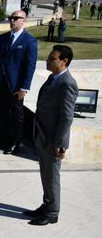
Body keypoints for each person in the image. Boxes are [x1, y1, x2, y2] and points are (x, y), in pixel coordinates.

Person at [24, 45, 78, 226]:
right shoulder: (53, 78)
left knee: (52, 175)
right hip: (42, 135)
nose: (47, 60)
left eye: (52, 58)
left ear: (64, 62)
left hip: (53, 140)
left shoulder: (67, 84)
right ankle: (47, 205)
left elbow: (67, 117)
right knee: (46, 174)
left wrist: (60, 144)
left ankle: (53, 213)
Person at [0, 10, 37, 155]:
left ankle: (15, 143)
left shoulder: (29, 41)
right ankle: (1, 141)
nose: (12, 20)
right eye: (11, 18)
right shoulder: (2, 38)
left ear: (24, 20)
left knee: (16, 116)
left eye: (16, 18)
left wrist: (24, 87)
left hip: (16, 86)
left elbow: (30, 66)